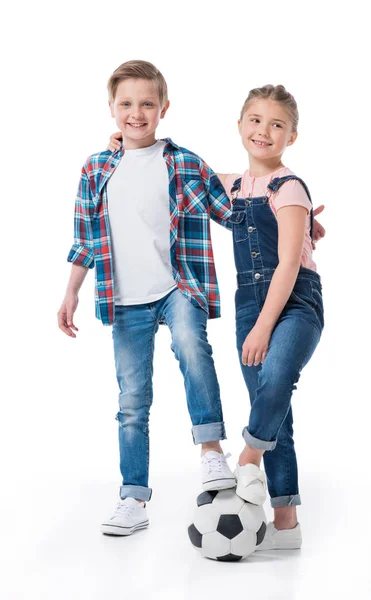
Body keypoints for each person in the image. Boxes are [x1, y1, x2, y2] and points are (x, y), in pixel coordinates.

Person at [57, 60, 237, 537]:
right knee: (132, 400)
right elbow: (85, 239)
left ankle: (211, 452)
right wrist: (71, 292)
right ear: (112, 109)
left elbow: (231, 209)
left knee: (192, 346)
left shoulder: (183, 162)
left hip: (178, 285)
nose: (136, 113)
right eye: (126, 104)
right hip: (124, 298)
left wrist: (290, 212)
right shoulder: (96, 167)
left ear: (163, 108)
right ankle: (133, 498)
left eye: (146, 104)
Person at [219, 85, 325, 551]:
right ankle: (286, 523)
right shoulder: (236, 186)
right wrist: (118, 144)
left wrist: (263, 326)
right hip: (248, 302)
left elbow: (286, 264)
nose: (264, 131)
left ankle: (246, 460)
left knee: (278, 376)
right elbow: (177, 168)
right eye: (255, 120)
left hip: (295, 300)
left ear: (292, 137)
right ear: (240, 126)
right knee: (273, 405)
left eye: (276, 124)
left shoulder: (291, 186)